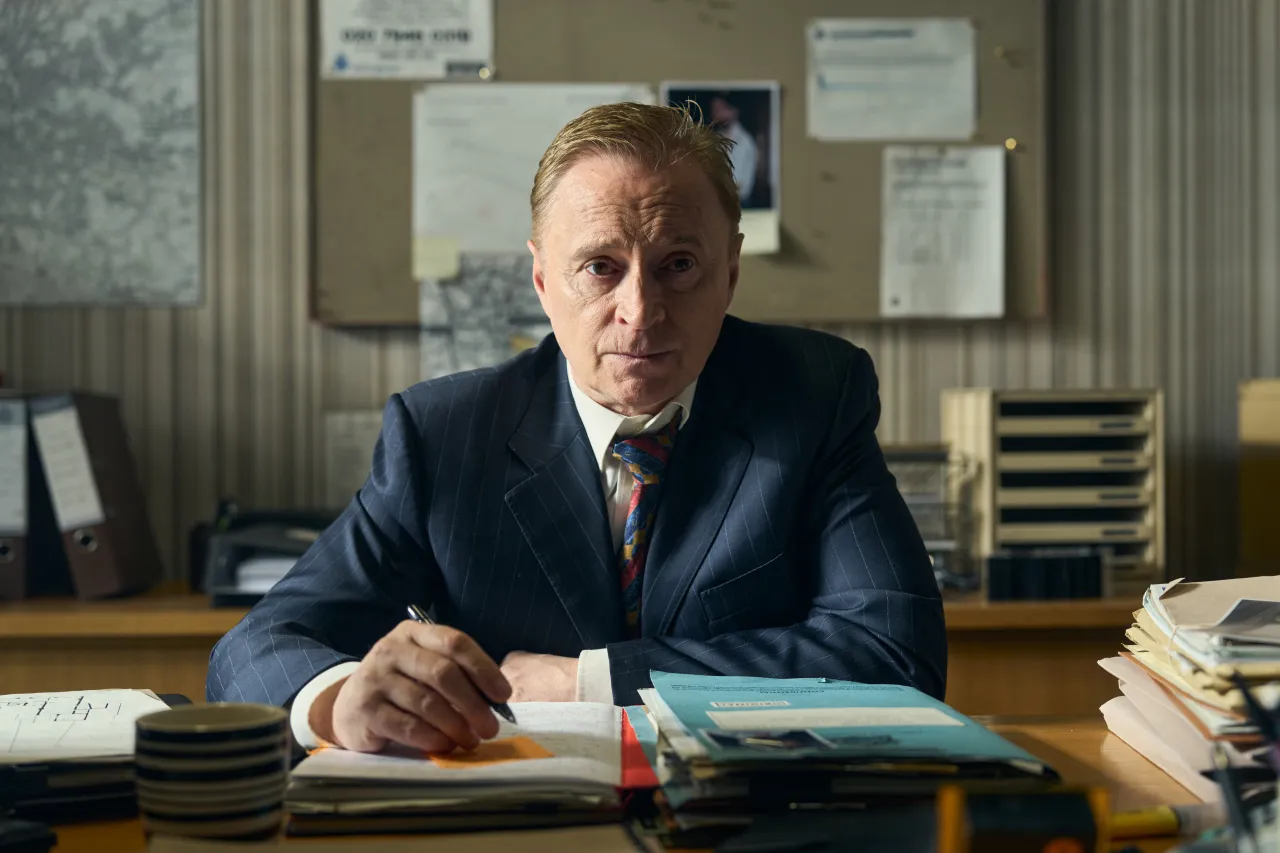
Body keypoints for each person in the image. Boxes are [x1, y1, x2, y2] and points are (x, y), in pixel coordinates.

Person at [207, 102, 946, 757]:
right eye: (599, 267)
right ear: (542, 280)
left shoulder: (814, 395)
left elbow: (894, 654)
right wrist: (338, 701)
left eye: (678, 264)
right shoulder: (444, 434)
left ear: (729, 273)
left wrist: (589, 681)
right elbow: (256, 648)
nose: (640, 311)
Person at [709, 94, 757, 203]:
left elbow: (744, 184)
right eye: (714, 109)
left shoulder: (745, 141)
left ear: (733, 111)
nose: (716, 114)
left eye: (721, 108)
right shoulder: (713, 139)